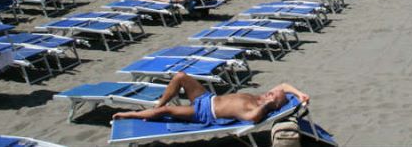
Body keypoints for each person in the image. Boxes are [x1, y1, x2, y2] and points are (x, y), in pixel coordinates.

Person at [112, 72, 309, 124]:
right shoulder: (260, 97)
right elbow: (283, 86)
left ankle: (129, 114)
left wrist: (266, 106)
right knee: (181, 76)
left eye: (272, 94)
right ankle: (158, 104)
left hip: (203, 112)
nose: (270, 91)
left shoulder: (257, 109)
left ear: (273, 103)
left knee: (166, 112)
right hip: (207, 97)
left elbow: (252, 119)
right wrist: (299, 94)